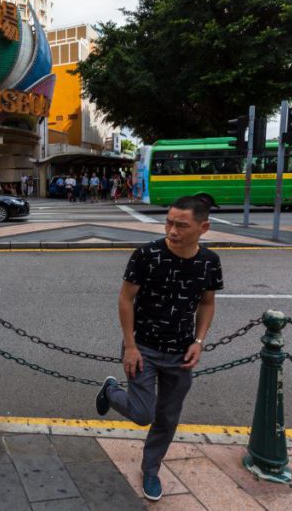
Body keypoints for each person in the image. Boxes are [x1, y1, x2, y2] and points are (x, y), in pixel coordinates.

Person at [95, 196, 223, 502]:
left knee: (167, 417)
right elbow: (126, 299)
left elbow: (207, 303)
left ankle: (150, 469)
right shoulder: (146, 255)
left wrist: (199, 341)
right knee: (142, 413)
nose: (172, 230)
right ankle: (111, 391)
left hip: (181, 353)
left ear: (203, 227)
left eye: (181, 225)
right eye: (169, 222)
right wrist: (129, 346)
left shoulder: (209, 261)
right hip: (143, 348)